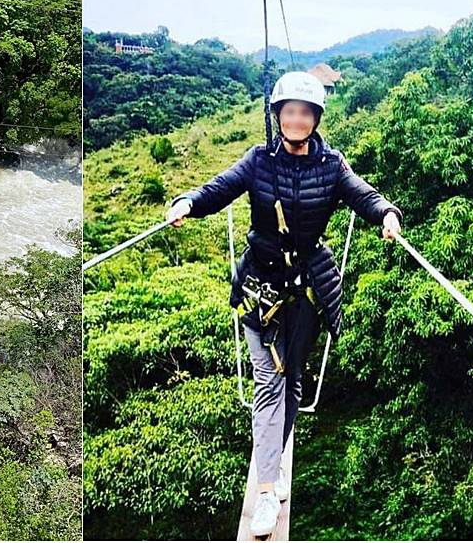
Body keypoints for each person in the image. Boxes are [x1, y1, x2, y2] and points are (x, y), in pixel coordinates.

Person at [163, 71, 402, 537]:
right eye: (289, 112)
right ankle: (268, 491)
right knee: (269, 383)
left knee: (292, 381)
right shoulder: (258, 160)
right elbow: (219, 188)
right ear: (278, 116)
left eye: (305, 113)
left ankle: (273, 463)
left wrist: (387, 214)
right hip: (261, 289)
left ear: (315, 119)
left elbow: (364, 196)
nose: (296, 120)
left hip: (305, 291)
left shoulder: (331, 164)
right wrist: (186, 202)